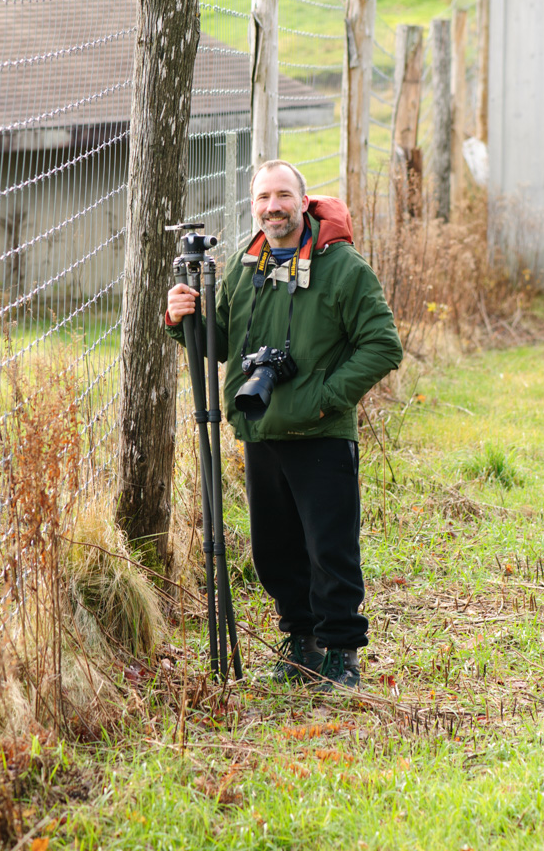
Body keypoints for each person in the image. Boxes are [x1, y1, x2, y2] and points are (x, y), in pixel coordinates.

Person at [165, 160, 402, 690]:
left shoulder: (342, 267)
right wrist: (184, 319)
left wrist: (324, 398)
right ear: (253, 206)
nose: (273, 207)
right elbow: (219, 345)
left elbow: (383, 345)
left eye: (283, 196)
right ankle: (301, 645)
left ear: (302, 200)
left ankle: (341, 654)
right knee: (275, 551)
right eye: (263, 198)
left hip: (320, 432)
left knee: (328, 549)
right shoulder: (243, 270)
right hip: (262, 428)